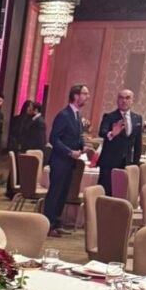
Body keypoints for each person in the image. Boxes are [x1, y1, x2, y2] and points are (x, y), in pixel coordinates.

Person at [45, 84, 90, 238]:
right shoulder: (64, 115)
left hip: (69, 163)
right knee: (55, 194)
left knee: (63, 194)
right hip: (60, 161)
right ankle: (48, 225)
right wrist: (70, 152)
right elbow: (53, 138)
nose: (87, 97)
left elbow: (76, 136)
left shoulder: (76, 115)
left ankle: (57, 223)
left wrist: (82, 146)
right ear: (76, 96)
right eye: (85, 94)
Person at [97, 88, 143, 194]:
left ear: (132, 100)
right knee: (106, 192)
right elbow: (102, 132)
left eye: (127, 98)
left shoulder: (137, 118)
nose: (124, 101)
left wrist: (136, 163)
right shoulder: (109, 116)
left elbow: (138, 143)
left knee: (121, 193)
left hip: (127, 162)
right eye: (121, 98)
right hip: (109, 162)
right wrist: (112, 133)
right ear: (117, 100)